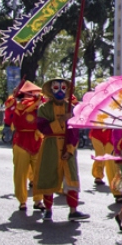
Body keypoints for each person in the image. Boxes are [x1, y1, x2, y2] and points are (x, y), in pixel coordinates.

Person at [34, 78, 88, 221]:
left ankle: (73, 210)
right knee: (48, 177)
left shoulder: (72, 108)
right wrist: (61, 120)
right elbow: (43, 128)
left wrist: (70, 149)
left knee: (71, 178)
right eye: (56, 88)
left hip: (68, 145)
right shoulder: (43, 109)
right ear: (51, 90)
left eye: (63, 88)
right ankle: (48, 209)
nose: (60, 91)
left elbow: (74, 131)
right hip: (50, 146)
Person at [5, 81, 45, 213]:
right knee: (20, 173)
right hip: (21, 141)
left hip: (37, 140)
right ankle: (22, 200)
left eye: (35, 93)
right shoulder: (17, 105)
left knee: (39, 173)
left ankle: (38, 200)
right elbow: (12, 115)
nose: (34, 95)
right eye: (31, 93)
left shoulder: (41, 106)